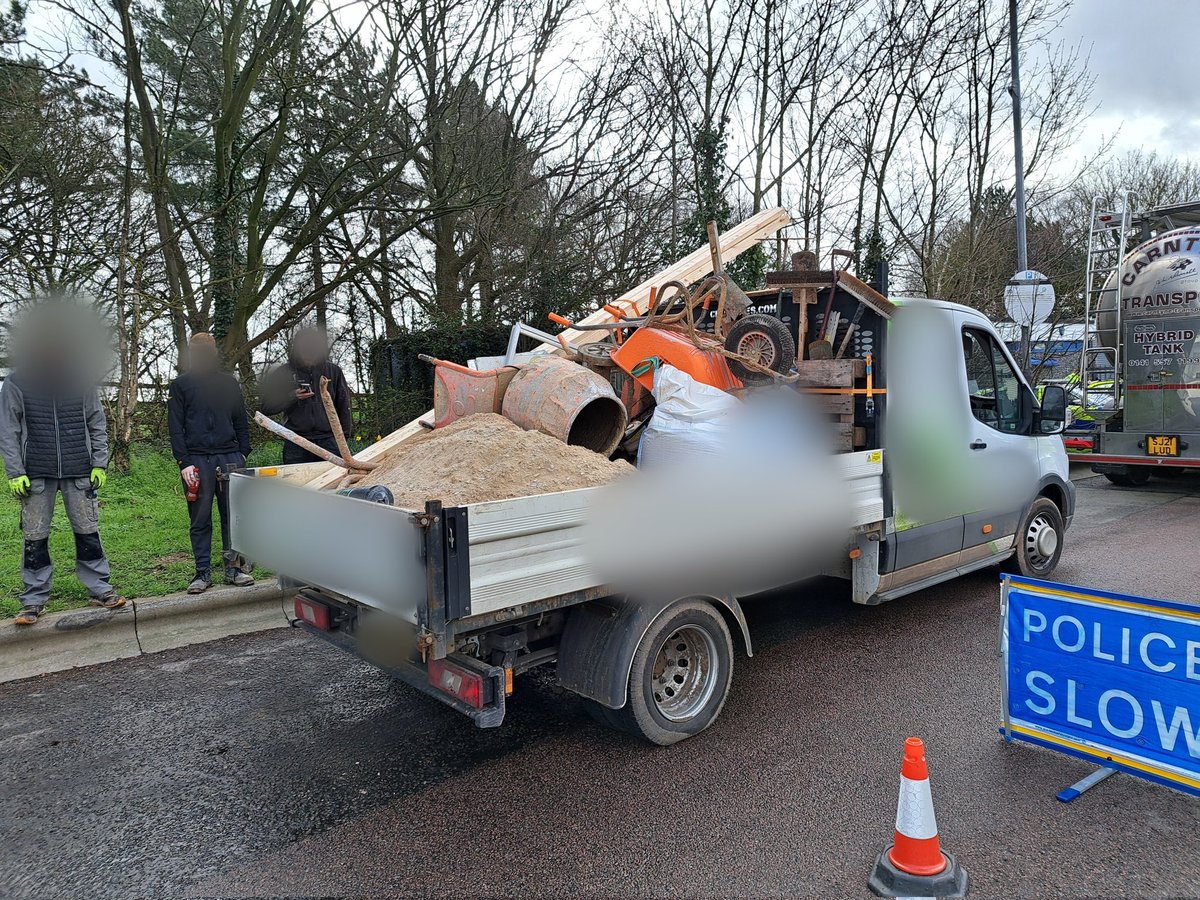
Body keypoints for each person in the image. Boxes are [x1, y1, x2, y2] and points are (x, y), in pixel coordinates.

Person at [0, 303, 126, 625]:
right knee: (35, 537)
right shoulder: (17, 383)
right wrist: (15, 471)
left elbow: (96, 423)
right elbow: (8, 431)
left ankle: (100, 589)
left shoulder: (80, 381)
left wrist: (100, 463)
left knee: (88, 532)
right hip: (36, 475)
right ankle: (33, 600)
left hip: (80, 471)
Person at [167, 332, 255, 594]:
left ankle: (234, 569)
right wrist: (184, 461)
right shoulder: (181, 386)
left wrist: (242, 454)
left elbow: (241, 420)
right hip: (196, 459)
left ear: (214, 352)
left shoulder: (229, 384)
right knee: (200, 519)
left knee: (233, 516)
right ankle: (202, 573)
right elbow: (175, 427)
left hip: (229, 458)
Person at [259, 327, 353, 464]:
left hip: (329, 440)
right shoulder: (283, 373)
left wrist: (343, 437)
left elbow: (343, 405)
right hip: (297, 441)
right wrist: (291, 396)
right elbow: (266, 407)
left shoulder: (333, 371)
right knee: (298, 483)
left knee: (336, 482)